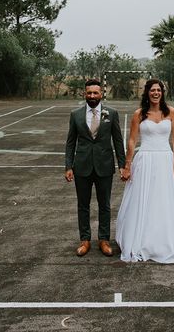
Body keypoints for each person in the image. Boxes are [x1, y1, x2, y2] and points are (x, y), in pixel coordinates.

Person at [116, 78, 174, 263]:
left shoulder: (171, 112)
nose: (155, 93)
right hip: (145, 159)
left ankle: (164, 238)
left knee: (163, 199)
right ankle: (141, 238)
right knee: (145, 198)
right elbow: (132, 141)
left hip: (165, 160)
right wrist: (127, 165)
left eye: (158, 90)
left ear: (162, 92)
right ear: (147, 92)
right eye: (152, 90)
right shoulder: (139, 114)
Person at [65, 78, 126, 257]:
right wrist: (68, 165)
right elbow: (70, 143)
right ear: (85, 94)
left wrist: (122, 164)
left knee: (104, 205)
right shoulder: (75, 114)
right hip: (82, 166)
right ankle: (85, 240)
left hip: (104, 166)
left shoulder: (112, 113)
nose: (92, 96)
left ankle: (104, 240)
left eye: (95, 93)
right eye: (89, 92)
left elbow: (118, 140)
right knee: (83, 205)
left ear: (101, 94)